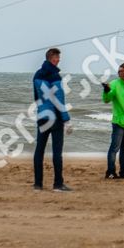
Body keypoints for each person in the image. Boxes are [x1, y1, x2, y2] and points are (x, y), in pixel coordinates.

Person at [33, 47, 72, 192]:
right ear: (52, 58)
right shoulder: (55, 75)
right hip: (55, 118)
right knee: (57, 152)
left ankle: (38, 184)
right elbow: (59, 99)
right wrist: (66, 119)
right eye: (57, 57)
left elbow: (36, 97)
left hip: (42, 116)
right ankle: (58, 184)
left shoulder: (37, 74)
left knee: (39, 151)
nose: (59, 60)